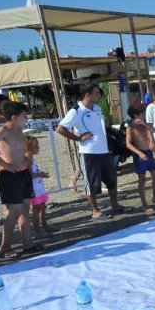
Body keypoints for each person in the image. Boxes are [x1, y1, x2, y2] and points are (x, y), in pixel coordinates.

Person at [57, 83, 131, 220]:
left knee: (111, 180)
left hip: (103, 151)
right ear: (88, 95)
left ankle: (115, 205)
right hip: (89, 152)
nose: (99, 95)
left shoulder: (97, 108)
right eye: (97, 93)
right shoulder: (76, 110)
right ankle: (95, 211)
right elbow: (60, 128)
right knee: (92, 183)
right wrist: (78, 138)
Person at [0, 101, 44, 258]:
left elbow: (17, 150)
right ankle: (5, 247)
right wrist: (4, 164)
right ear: (15, 117)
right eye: (24, 116)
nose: (27, 119)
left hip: (23, 174)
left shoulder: (19, 130)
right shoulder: (4, 130)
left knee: (25, 210)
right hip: (10, 175)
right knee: (14, 212)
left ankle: (28, 244)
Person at [125, 105, 155, 212]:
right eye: (143, 114)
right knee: (142, 179)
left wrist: (144, 123)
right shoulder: (130, 127)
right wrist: (139, 153)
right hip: (139, 154)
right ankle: (144, 204)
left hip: (149, 153)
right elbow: (128, 144)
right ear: (136, 115)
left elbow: (154, 130)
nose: (145, 115)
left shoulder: (145, 124)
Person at [23, 135, 56, 236]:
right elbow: (29, 175)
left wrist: (41, 173)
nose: (39, 148)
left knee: (42, 207)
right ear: (29, 148)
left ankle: (44, 225)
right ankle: (37, 230)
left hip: (38, 187)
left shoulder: (31, 159)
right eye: (36, 146)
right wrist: (41, 174)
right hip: (33, 188)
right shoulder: (27, 160)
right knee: (36, 209)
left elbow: (34, 172)